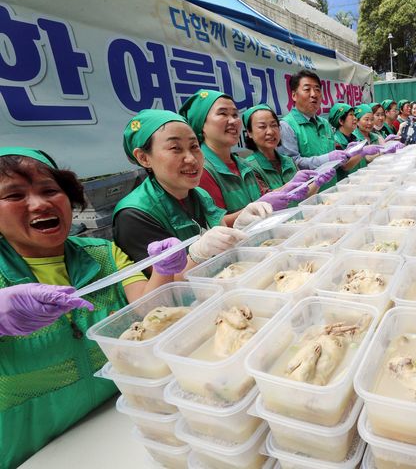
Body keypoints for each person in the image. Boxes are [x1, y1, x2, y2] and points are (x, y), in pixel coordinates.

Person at [0, 148, 188, 468]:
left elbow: (147, 312)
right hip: (30, 451)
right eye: (14, 195)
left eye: (50, 190)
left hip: (117, 423)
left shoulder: (103, 253)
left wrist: (163, 269)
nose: (40, 204)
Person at [113, 110, 274, 267]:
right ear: (144, 158)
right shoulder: (133, 216)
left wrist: (240, 224)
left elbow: (216, 229)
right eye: (175, 148)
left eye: (194, 146)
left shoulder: (199, 194)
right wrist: (198, 254)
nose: (191, 159)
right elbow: (164, 280)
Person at [179, 89, 296, 213]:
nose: (233, 121)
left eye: (235, 115)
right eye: (223, 113)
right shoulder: (200, 170)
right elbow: (214, 221)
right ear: (201, 123)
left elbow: (263, 197)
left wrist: (291, 187)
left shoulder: (243, 165)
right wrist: (252, 211)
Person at [242, 104, 335, 198]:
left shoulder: (289, 161)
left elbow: (304, 194)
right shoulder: (249, 167)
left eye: (274, 125)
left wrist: (318, 182)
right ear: (249, 132)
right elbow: (263, 201)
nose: (270, 132)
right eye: (262, 127)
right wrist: (288, 186)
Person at [277, 70, 349, 189]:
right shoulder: (286, 126)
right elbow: (293, 166)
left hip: (332, 191)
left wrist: (347, 154)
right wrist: (327, 158)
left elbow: (333, 158)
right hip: (308, 195)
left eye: (317, 89)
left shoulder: (325, 123)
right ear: (294, 95)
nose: (314, 94)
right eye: (307, 89)